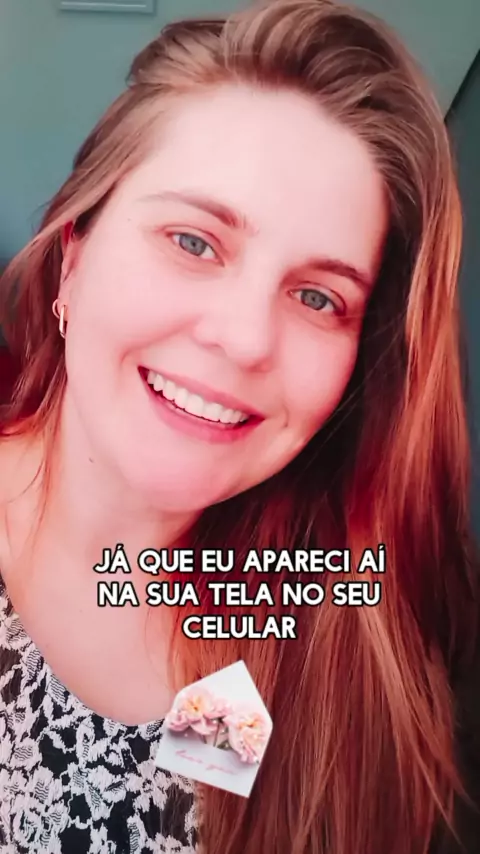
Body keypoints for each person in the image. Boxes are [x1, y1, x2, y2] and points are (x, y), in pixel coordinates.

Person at [0, 0, 479, 851]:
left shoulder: (272, 634)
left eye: (318, 297)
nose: (248, 338)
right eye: (193, 242)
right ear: (74, 257)